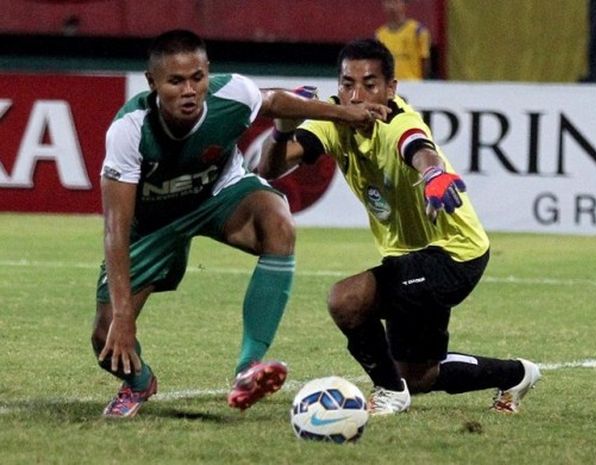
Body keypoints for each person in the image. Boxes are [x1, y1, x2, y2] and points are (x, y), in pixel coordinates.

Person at [92, 29, 389, 418]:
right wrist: (124, 317)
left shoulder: (231, 94)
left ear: (207, 73)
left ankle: (248, 368)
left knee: (279, 224)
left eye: (197, 78)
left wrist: (344, 113)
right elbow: (115, 229)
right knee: (106, 340)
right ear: (152, 84)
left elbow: (274, 101)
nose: (189, 91)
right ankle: (140, 383)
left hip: (218, 194)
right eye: (175, 81)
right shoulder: (129, 131)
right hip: (153, 223)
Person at [257, 38, 540, 415]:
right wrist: (281, 131)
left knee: (346, 299)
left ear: (391, 89)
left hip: (454, 252)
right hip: (408, 257)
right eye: (346, 84)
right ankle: (516, 374)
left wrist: (434, 173)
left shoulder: (397, 122)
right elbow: (269, 169)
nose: (356, 96)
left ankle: (388, 393)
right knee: (418, 374)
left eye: (369, 84)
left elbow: (419, 148)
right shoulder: (332, 121)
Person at [375, 0, 431, 80]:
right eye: (388, 2)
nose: (392, 6)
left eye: (396, 2)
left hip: (413, 86)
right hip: (391, 86)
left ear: (404, 4)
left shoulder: (417, 31)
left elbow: (425, 61)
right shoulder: (380, 35)